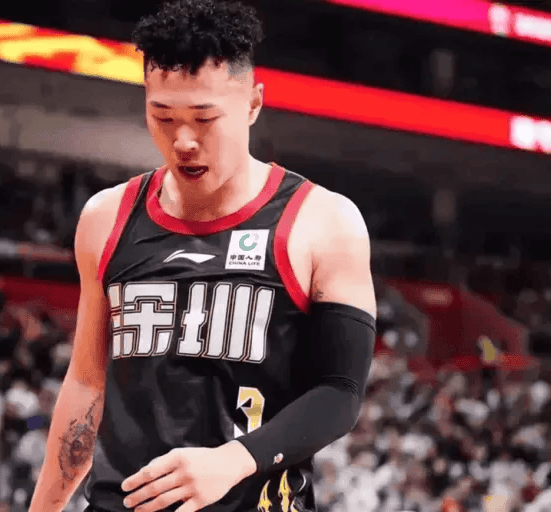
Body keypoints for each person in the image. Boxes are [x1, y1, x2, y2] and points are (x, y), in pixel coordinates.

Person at [28, 0, 376, 511]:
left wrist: (236, 460)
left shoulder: (323, 221)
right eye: (162, 116)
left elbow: (340, 392)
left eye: (205, 118)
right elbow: (86, 382)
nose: (184, 140)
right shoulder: (107, 217)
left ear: (253, 104)